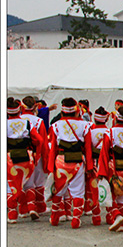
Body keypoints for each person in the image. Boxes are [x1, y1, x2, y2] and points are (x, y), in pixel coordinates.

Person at [47, 97, 94, 228]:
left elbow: (53, 149)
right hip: (78, 161)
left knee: (58, 190)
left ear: (62, 112)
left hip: (61, 161)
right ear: (76, 111)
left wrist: (50, 167)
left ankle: (55, 217)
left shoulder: (55, 126)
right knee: (78, 191)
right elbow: (88, 148)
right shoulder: (85, 125)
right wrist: (90, 166)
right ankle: (75, 220)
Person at [7, 98, 45, 224]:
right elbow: (39, 140)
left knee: (12, 185)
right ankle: (32, 208)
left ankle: (13, 214)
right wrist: (34, 150)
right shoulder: (26, 123)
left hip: (10, 158)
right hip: (27, 156)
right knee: (29, 184)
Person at [19, 96, 49, 219]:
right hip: (36, 154)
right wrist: (44, 158)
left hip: (19, 155)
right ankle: (39, 207)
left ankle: (23, 209)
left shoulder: (18, 119)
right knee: (39, 181)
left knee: (24, 182)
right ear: (35, 106)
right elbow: (43, 142)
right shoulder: (38, 121)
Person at [84, 107, 112, 225]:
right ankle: (110, 216)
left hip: (94, 163)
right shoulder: (110, 132)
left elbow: (88, 150)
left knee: (94, 189)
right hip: (107, 164)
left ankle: (96, 217)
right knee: (109, 189)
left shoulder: (90, 132)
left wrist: (89, 165)